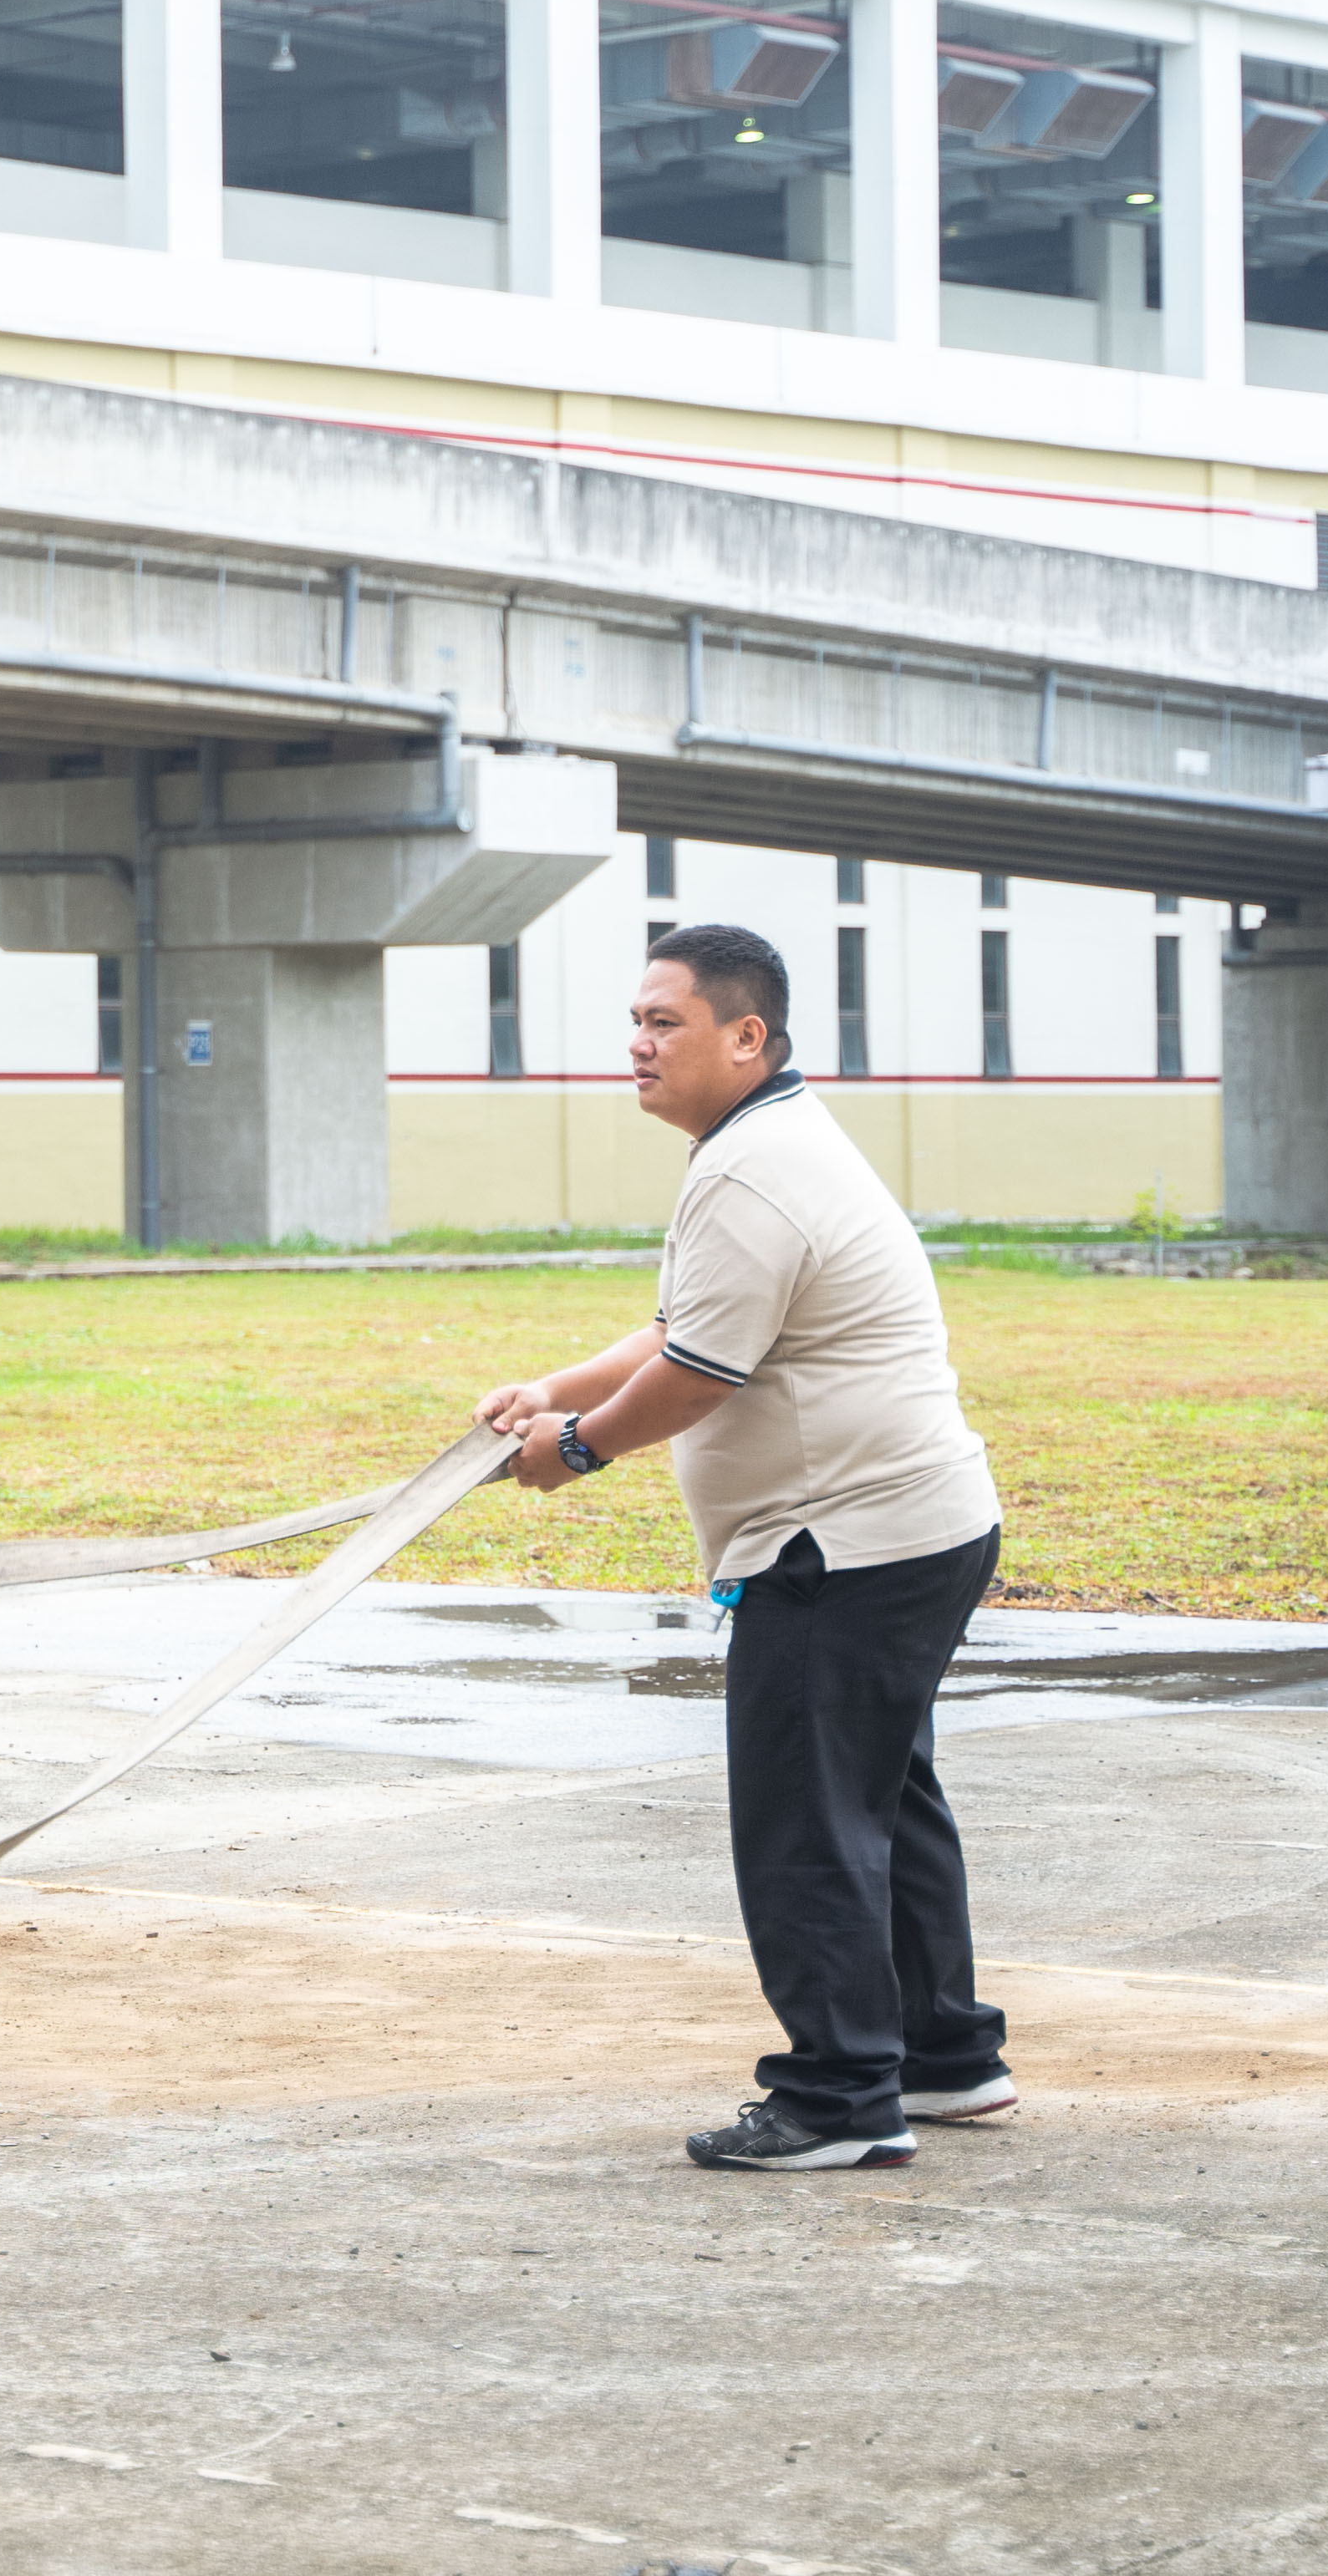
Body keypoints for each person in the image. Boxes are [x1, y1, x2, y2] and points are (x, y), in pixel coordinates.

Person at [479, 924, 1007, 2172]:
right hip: (908, 1530)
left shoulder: (750, 1169)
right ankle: (940, 2055)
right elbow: (687, 1326)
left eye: (663, 1022)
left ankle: (837, 2100)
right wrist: (552, 1389)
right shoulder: (764, 1145)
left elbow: (698, 1373)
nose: (637, 1043)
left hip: (842, 1547)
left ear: (745, 1036)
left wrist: (575, 1448)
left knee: (806, 1824)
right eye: (635, 1020)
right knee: (879, 1801)